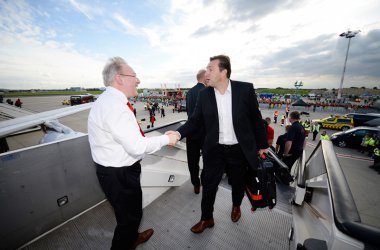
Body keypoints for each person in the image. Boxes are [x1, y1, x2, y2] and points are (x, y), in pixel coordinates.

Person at [167, 55, 268, 234]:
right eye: (206, 69)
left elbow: (256, 120)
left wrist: (263, 145)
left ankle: (236, 206)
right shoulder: (204, 94)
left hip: (238, 150)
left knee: (238, 183)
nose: (207, 73)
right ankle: (207, 218)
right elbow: (195, 120)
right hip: (215, 150)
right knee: (209, 185)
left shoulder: (244, 90)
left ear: (224, 72)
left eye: (210, 69)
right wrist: (178, 132)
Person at [88, 57, 179, 250]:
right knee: (129, 218)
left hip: (113, 171)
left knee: (127, 213)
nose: (138, 80)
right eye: (134, 76)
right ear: (119, 78)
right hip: (119, 174)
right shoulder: (115, 107)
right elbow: (136, 146)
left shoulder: (107, 100)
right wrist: (167, 139)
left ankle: (132, 238)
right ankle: (125, 243)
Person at [185, 69, 207, 194]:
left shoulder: (189, 92)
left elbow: (189, 112)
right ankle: (204, 180)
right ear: (204, 78)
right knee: (208, 160)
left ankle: (195, 183)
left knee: (192, 162)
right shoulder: (208, 91)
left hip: (191, 133)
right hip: (205, 134)